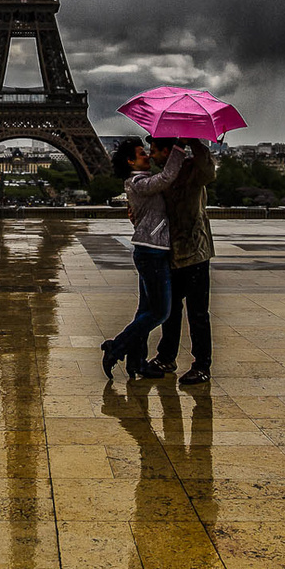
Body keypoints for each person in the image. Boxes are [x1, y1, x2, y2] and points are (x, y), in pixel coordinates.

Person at [101, 136, 184, 380]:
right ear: (130, 161)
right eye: (141, 153)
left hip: (151, 251)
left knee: (146, 310)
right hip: (151, 252)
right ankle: (115, 347)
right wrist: (179, 147)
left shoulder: (141, 182)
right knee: (160, 312)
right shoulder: (138, 182)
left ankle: (136, 362)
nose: (147, 155)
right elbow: (167, 177)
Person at [147, 136, 216, 385]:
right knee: (172, 310)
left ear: (168, 151)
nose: (151, 155)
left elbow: (208, 171)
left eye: (154, 150)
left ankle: (201, 366)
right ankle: (167, 357)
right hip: (172, 251)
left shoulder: (191, 170)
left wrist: (194, 140)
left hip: (194, 251)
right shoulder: (165, 175)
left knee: (197, 312)